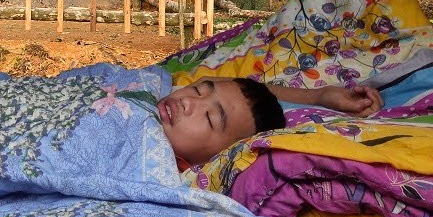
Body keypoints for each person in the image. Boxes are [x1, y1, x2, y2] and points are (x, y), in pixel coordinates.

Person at [160, 76, 383, 169]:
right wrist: (317, 95)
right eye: (198, 90)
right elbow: (218, 84)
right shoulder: (156, 94)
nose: (186, 101)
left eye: (210, 118)